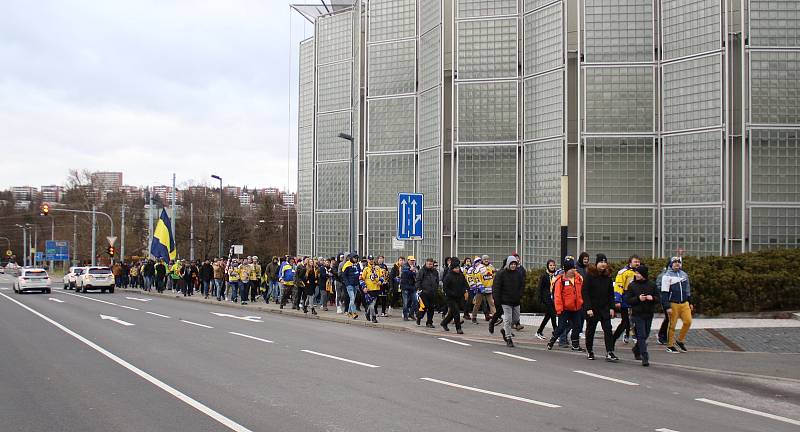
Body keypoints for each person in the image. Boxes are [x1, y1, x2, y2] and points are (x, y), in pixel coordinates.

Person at [582, 254, 619, 362]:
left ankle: (610, 352)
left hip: (604, 308)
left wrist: (612, 308)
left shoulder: (607, 276)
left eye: (604, 262)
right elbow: (585, 292)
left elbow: (610, 294)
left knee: (608, 329)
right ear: (597, 263)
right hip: (592, 309)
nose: (603, 264)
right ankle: (590, 350)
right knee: (590, 330)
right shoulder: (590, 275)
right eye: (601, 262)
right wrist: (588, 308)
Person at [547, 256, 585, 352]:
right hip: (565, 309)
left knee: (577, 326)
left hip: (576, 308)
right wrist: (559, 309)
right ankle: (552, 340)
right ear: (567, 270)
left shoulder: (578, 278)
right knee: (561, 327)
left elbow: (582, 291)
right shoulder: (560, 280)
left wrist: (583, 303)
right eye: (571, 268)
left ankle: (575, 345)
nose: (573, 270)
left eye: (574, 268)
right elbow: (557, 296)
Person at [624, 265, 659, 366]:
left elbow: (658, 298)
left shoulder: (652, 285)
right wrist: (638, 298)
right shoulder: (632, 285)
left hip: (648, 313)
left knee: (646, 334)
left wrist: (652, 298)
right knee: (642, 335)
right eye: (636, 273)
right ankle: (645, 356)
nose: (636, 275)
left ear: (643, 274)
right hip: (637, 314)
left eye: (638, 273)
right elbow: (628, 300)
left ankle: (636, 349)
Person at [661, 257, 692, 353]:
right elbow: (664, 292)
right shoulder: (667, 276)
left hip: (684, 303)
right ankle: (670, 345)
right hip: (673, 303)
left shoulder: (684, 275)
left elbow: (687, 290)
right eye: (674, 262)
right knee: (672, 325)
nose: (677, 264)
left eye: (679, 262)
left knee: (688, 322)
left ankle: (680, 340)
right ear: (671, 264)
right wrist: (667, 306)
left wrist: (690, 302)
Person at [493, 255, 525, 347]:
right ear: (508, 264)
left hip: (516, 301)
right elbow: (497, 287)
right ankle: (508, 338)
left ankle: (504, 329)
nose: (513, 266)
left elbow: (522, 285)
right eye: (512, 264)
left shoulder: (518, 273)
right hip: (505, 301)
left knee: (515, 319)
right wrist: (497, 300)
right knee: (508, 320)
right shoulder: (502, 274)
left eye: (515, 264)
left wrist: (520, 295)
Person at [614, 255, 641, 344]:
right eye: (635, 262)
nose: (637, 263)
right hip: (625, 300)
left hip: (636, 300)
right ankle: (615, 337)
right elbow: (618, 286)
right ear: (630, 262)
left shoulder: (640, 272)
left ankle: (633, 335)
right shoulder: (623, 272)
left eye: (638, 262)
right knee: (625, 321)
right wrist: (617, 300)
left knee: (635, 319)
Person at [441, 258, 467, 335]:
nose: (457, 269)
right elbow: (445, 288)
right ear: (452, 268)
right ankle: (458, 328)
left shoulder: (461, 275)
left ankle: (444, 323)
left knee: (452, 313)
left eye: (458, 268)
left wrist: (466, 290)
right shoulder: (448, 276)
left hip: (459, 297)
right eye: (455, 268)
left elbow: (465, 284)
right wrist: (451, 293)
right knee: (456, 312)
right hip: (450, 298)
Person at [536, 260, 559, 339]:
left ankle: (539, 331)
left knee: (548, 316)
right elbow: (540, 288)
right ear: (548, 266)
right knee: (552, 315)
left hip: (554, 298)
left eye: (553, 265)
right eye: (551, 265)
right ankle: (556, 332)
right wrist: (539, 299)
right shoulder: (544, 276)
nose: (552, 267)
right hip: (546, 298)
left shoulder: (556, 275)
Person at [415, 258, 439, 328]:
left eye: (431, 264)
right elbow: (418, 280)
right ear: (426, 263)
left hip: (432, 292)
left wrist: (436, 289)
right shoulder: (422, 271)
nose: (430, 265)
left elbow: (437, 281)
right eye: (428, 264)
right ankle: (419, 317)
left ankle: (429, 322)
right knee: (424, 307)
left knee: (431, 308)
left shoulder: (435, 272)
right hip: (424, 292)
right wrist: (419, 289)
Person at [400, 256, 419, 321]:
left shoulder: (414, 267)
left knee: (415, 301)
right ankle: (405, 316)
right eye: (411, 260)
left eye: (413, 260)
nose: (412, 262)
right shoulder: (404, 266)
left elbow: (417, 275)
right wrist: (412, 271)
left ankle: (411, 314)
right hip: (405, 287)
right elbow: (405, 273)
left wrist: (413, 271)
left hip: (412, 287)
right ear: (408, 260)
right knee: (405, 302)